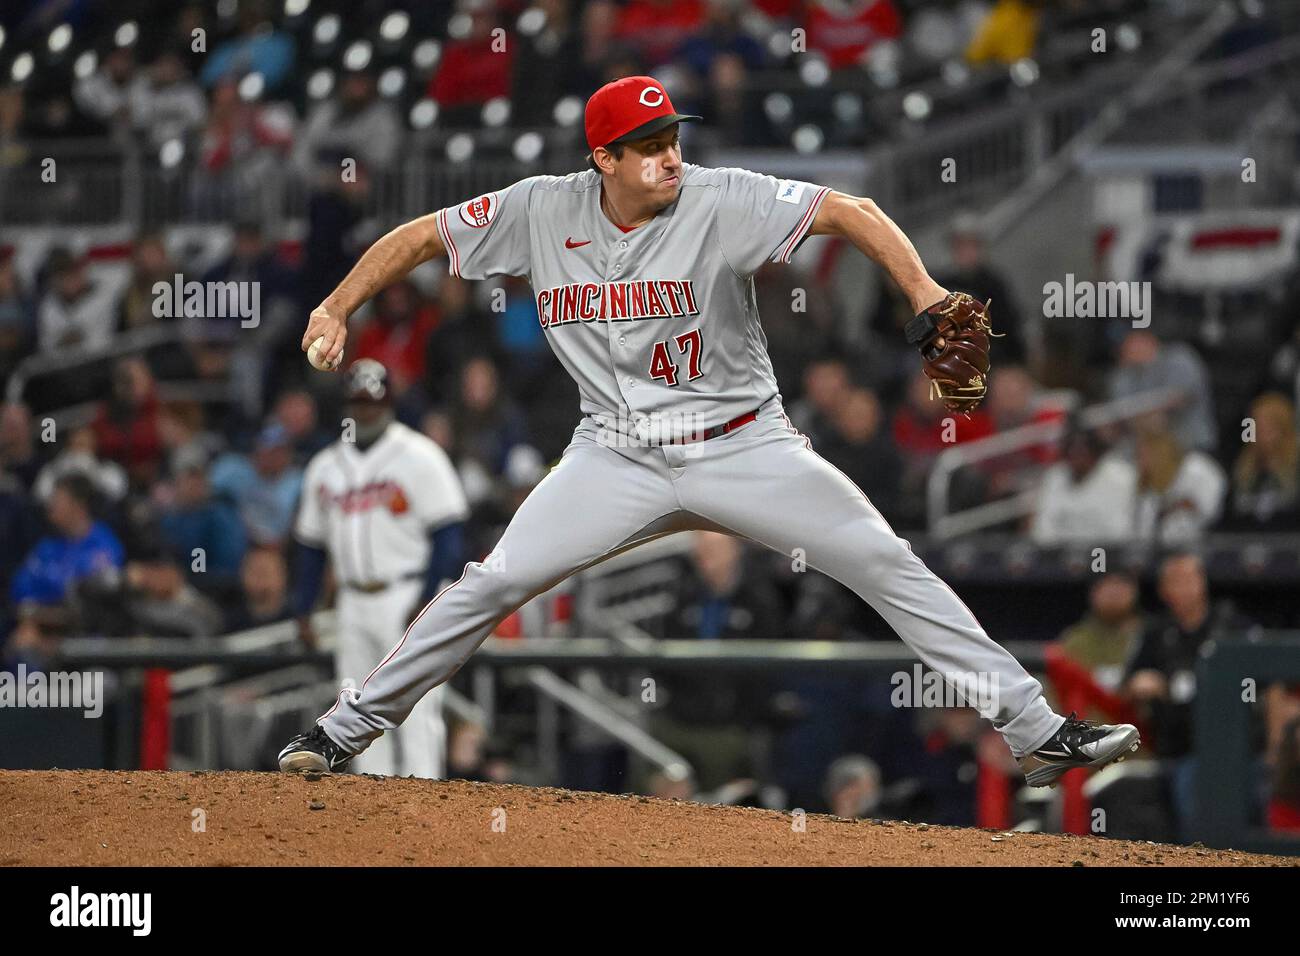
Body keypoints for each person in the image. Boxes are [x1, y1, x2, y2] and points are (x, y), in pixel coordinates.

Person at [279, 75, 1140, 788]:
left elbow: (855, 210)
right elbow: (420, 236)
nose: (668, 157)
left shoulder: (721, 198)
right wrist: (335, 304)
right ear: (603, 159)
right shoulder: (541, 209)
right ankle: (343, 730)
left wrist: (922, 293)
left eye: (672, 138)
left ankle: (1033, 730)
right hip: (612, 452)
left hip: (742, 445)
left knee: (885, 560)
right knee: (491, 581)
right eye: (647, 146)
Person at [291, 360, 469, 779]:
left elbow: (448, 533)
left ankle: (427, 794)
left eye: (374, 403)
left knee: (418, 702)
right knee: (353, 702)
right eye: (358, 403)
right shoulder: (325, 466)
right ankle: (374, 809)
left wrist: (429, 596)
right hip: (351, 601)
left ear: (389, 403)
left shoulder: (419, 454)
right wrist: (303, 607)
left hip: (405, 593)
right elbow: (311, 547)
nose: (366, 412)